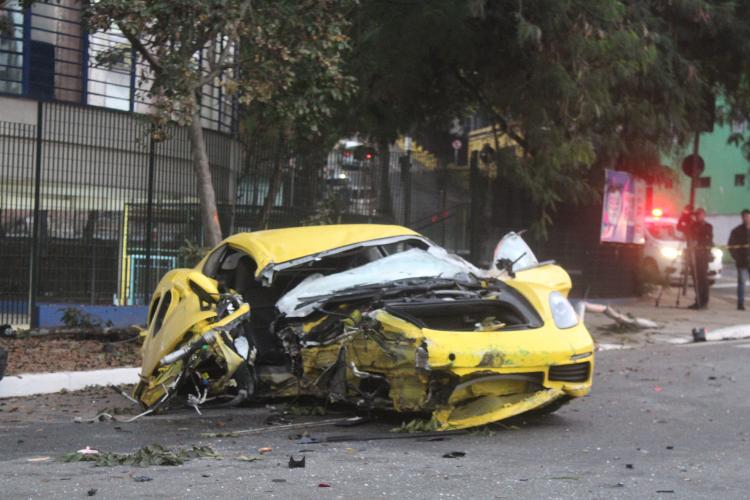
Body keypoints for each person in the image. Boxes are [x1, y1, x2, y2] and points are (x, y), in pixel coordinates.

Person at [681, 207, 713, 310]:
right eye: (697, 215)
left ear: (703, 215)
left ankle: (704, 301)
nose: (698, 216)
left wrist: (697, 242)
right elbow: (681, 228)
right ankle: (697, 300)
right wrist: (684, 216)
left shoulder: (708, 226)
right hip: (693, 255)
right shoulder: (692, 226)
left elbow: (708, 239)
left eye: (700, 214)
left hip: (702, 256)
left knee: (703, 279)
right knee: (696, 280)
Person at [728, 209, 750, 310]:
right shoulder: (737, 231)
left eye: (748, 216)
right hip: (742, 261)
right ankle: (740, 303)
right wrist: (736, 257)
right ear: (742, 218)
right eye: (745, 216)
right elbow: (731, 246)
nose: (747, 218)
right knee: (742, 283)